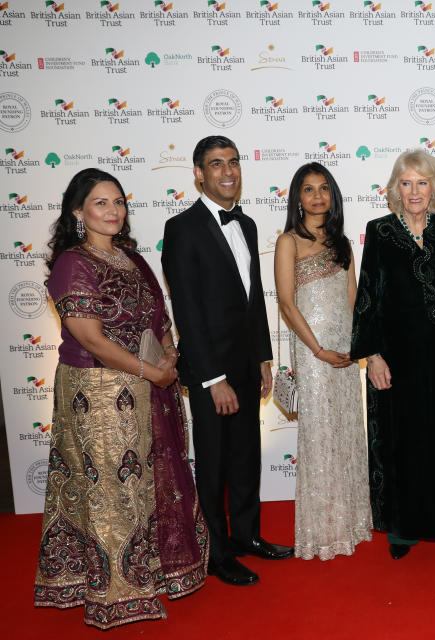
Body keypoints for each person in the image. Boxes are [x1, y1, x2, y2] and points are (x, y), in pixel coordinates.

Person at [35, 169, 208, 629]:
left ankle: (151, 573)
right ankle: (116, 592)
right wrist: (151, 371)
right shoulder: (74, 263)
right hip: (99, 392)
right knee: (111, 491)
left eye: (119, 202)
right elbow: (90, 338)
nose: (113, 211)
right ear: (78, 212)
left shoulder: (131, 257)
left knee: (147, 488)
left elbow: (158, 317)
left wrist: (169, 355)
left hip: (147, 387)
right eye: (100, 203)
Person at [162, 135, 292, 587]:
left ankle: (247, 537)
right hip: (209, 368)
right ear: (199, 174)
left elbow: (253, 300)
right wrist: (213, 378)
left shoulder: (250, 224)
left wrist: (262, 357)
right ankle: (216, 553)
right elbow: (188, 311)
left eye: (233, 162)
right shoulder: (182, 228)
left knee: (245, 456)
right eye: (216, 164)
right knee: (214, 462)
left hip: (244, 362)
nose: (228, 171)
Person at [351, 149, 435, 563]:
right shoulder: (380, 231)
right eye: (405, 183)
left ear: (434, 187)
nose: (414, 191)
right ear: (395, 189)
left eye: (422, 182)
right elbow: (368, 299)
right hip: (397, 361)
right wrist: (372, 356)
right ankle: (403, 530)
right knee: (401, 444)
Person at [274, 162, 372, 560]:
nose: (317, 196)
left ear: (333, 196)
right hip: (313, 352)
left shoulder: (342, 242)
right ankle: (322, 529)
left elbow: (353, 298)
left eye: (324, 189)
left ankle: (350, 521)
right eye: (309, 189)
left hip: (345, 351)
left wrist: (356, 346)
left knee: (347, 431)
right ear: (298, 196)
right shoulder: (288, 242)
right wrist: (316, 350)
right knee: (319, 435)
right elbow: (286, 302)